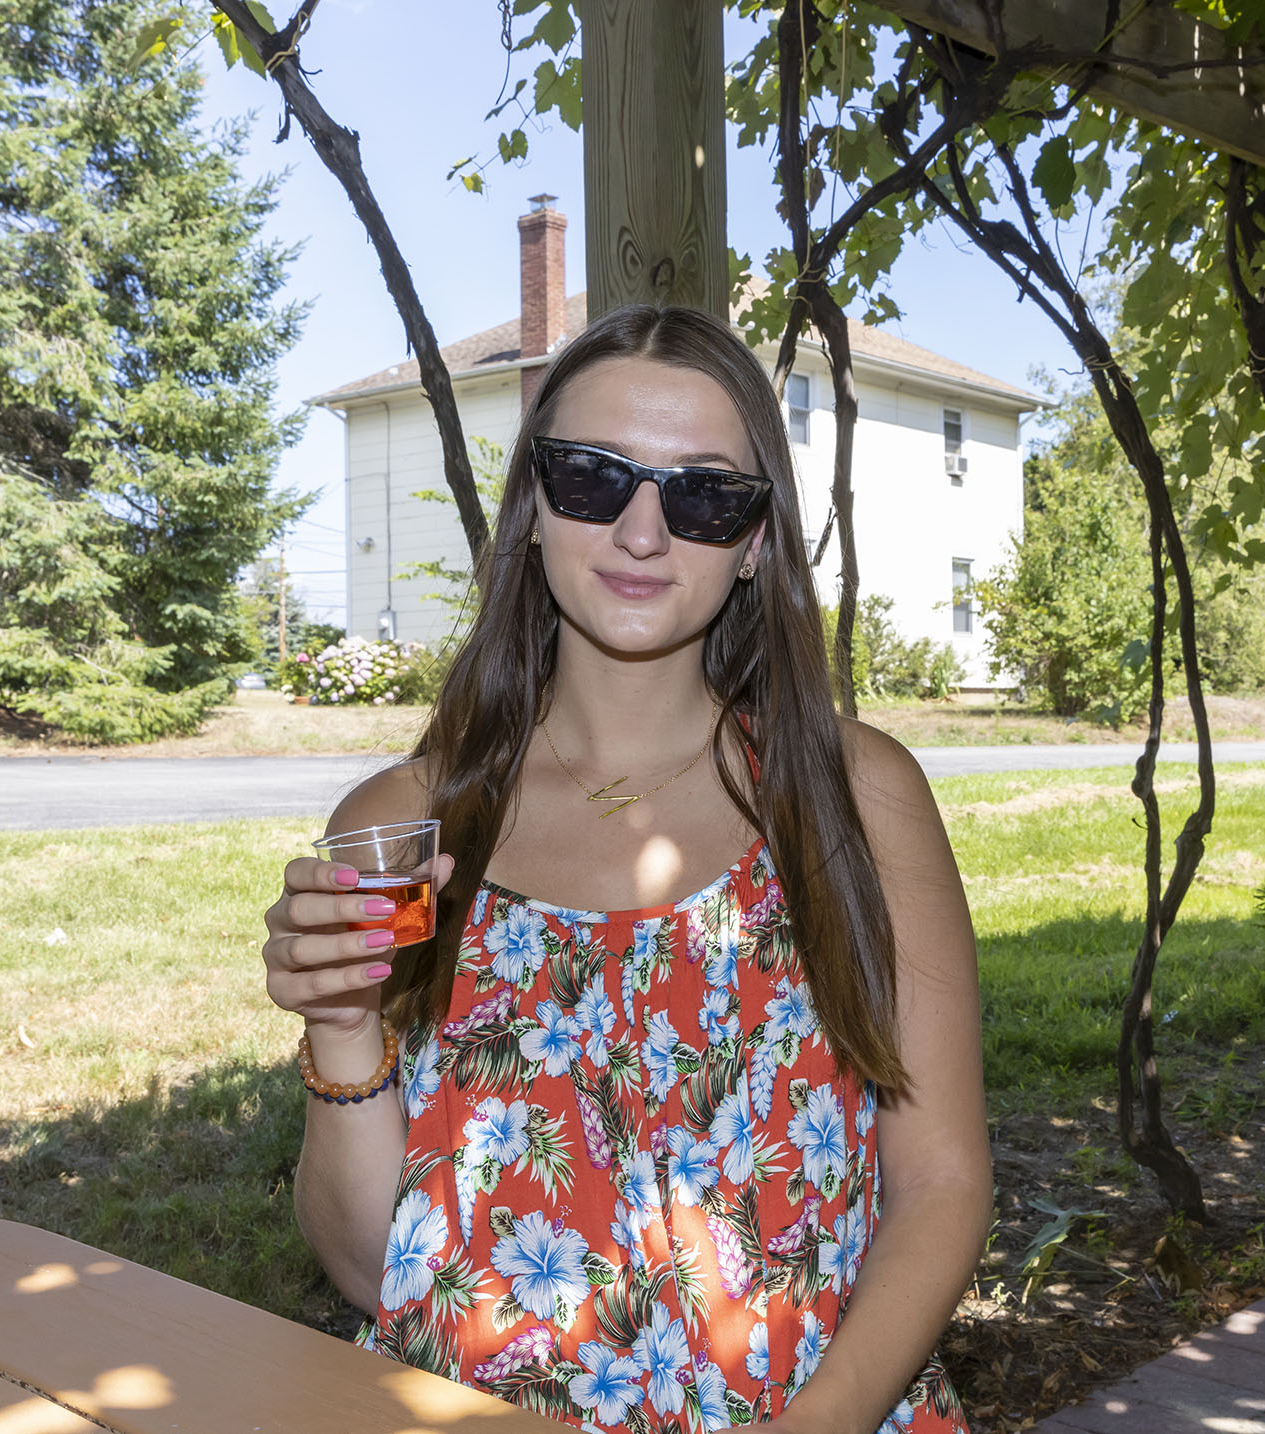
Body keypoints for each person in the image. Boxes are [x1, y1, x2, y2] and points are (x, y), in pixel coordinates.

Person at [262, 304, 990, 1433]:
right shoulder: (410, 829)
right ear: (532, 509)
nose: (643, 531)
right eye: (593, 478)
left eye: (703, 495)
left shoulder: (855, 799)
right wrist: (342, 1024)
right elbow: (375, 1273)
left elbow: (941, 1183)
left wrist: (825, 1422)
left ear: (756, 541)